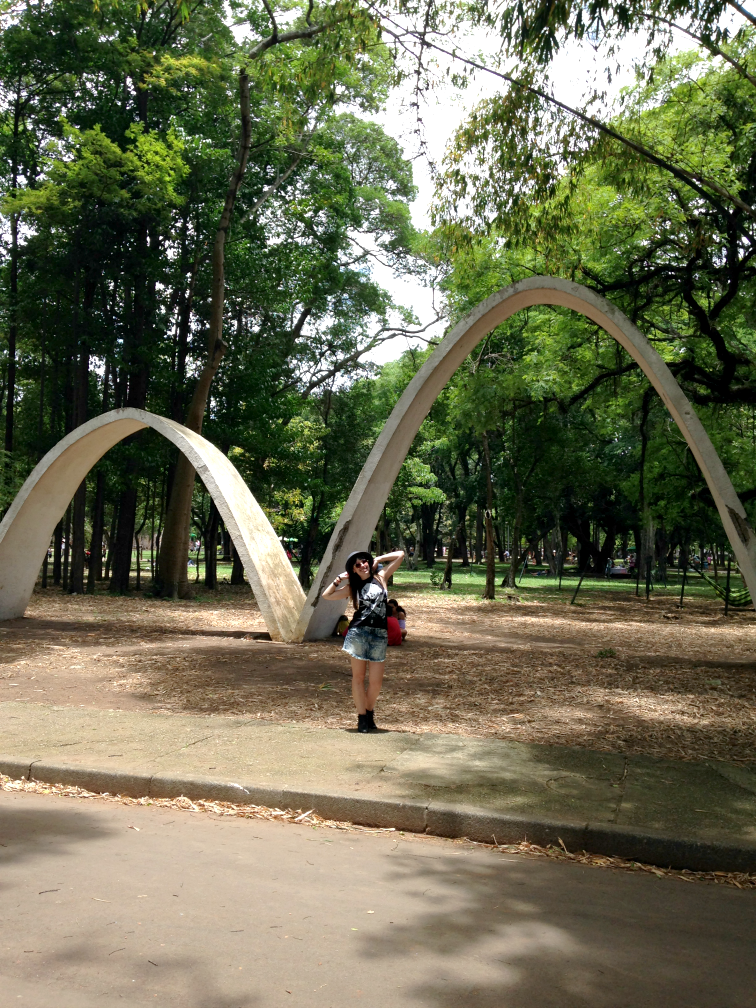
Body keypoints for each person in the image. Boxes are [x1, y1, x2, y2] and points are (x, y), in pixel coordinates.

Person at [321, 548, 404, 733]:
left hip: (379, 635)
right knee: (358, 678)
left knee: (376, 682)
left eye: (364, 562)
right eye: (357, 565)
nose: (362, 565)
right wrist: (339, 579)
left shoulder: (381, 577)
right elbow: (327, 595)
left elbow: (400, 555)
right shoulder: (353, 586)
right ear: (354, 570)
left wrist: (377, 558)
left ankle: (369, 710)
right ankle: (362, 718)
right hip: (359, 632)